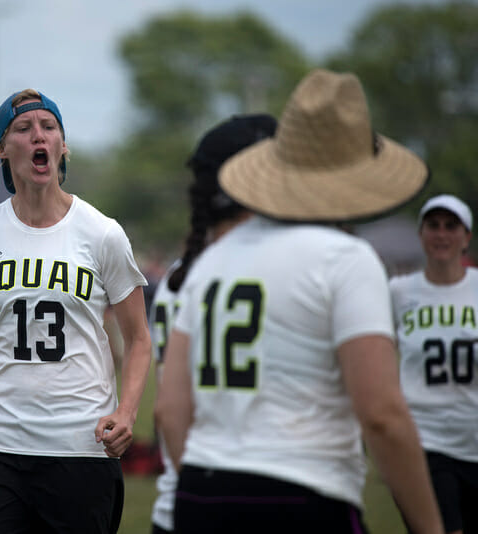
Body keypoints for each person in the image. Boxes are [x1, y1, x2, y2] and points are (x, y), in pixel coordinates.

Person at [155, 69, 444, 534]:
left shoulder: (213, 259)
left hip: (199, 497)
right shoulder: (346, 259)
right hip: (302, 496)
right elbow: (382, 415)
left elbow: (170, 409)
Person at [0, 89, 152, 533]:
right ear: (2, 147)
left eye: (49, 128)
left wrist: (126, 413)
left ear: (62, 146)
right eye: (24, 129)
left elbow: (140, 339)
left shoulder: (102, 234)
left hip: (80, 448)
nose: (39, 137)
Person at [148, 114, 277, 534]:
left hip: (184, 492)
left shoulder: (178, 277)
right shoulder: (258, 270)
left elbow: (169, 408)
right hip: (251, 487)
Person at [390, 194, 478, 534]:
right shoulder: (398, 292)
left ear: (466, 237)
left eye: (451, 226)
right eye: (433, 226)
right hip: (425, 442)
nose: (442, 235)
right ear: (421, 234)